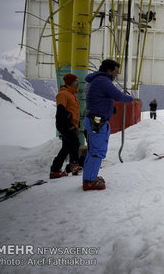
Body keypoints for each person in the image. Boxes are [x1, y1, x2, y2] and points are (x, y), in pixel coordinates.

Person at [83, 60, 134, 191]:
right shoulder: (103, 81)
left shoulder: (96, 80)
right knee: (97, 151)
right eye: (115, 72)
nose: (116, 75)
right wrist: (132, 99)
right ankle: (90, 181)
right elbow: (118, 96)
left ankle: (89, 177)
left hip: (93, 119)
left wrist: (109, 109)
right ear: (109, 70)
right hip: (98, 122)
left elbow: (100, 99)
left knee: (93, 150)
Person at [50, 73, 82, 179]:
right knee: (75, 142)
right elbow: (61, 112)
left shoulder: (73, 94)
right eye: (75, 81)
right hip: (65, 124)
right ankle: (73, 164)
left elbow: (75, 112)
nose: (77, 82)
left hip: (71, 125)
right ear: (70, 82)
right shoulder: (63, 94)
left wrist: (76, 126)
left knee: (67, 147)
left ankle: (55, 170)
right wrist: (69, 126)